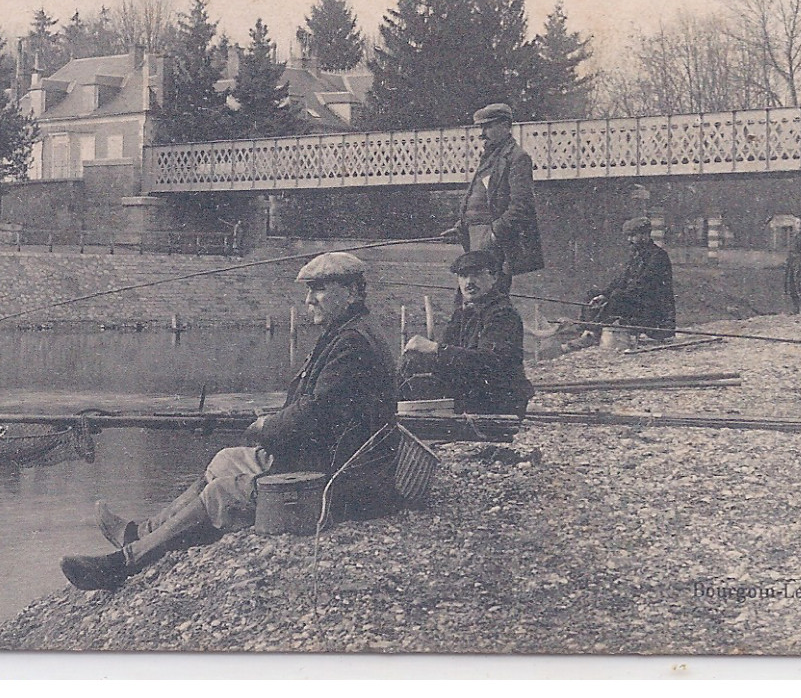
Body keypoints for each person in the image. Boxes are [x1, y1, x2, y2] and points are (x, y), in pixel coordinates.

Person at [60, 251, 397, 591]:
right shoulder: (348, 332)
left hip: (341, 484)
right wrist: (274, 423)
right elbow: (315, 410)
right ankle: (141, 532)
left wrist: (268, 428)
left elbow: (314, 414)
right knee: (224, 459)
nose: (309, 299)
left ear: (352, 292)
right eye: (309, 290)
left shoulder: (352, 343)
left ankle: (125, 563)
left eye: (320, 289)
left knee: (223, 491)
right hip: (331, 460)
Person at [399, 249, 534, 416]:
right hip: (476, 394)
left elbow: (488, 363)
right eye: (463, 276)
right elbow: (447, 354)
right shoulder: (464, 312)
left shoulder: (502, 314)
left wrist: (435, 348)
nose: (469, 282)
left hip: (499, 402)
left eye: (477, 275)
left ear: (493, 278)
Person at [448, 103, 543, 295]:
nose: (483, 133)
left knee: (490, 293)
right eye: (482, 127)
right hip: (475, 235)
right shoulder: (489, 157)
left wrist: (494, 234)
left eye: (489, 126)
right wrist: (462, 225)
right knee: (469, 294)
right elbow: (482, 195)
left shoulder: (517, 158)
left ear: (506, 126)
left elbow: (521, 205)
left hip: (494, 240)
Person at [575, 217, 676, 345]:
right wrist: (604, 294)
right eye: (628, 236)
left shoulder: (658, 256)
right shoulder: (636, 255)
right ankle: (586, 330)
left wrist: (612, 296)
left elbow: (642, 285)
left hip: (653, 308)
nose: (629, 240)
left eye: (633, 236)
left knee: (617, 296)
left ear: (645, 235)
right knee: (592, 294)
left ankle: (592, 333)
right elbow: (621, 279)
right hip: (636, 300)